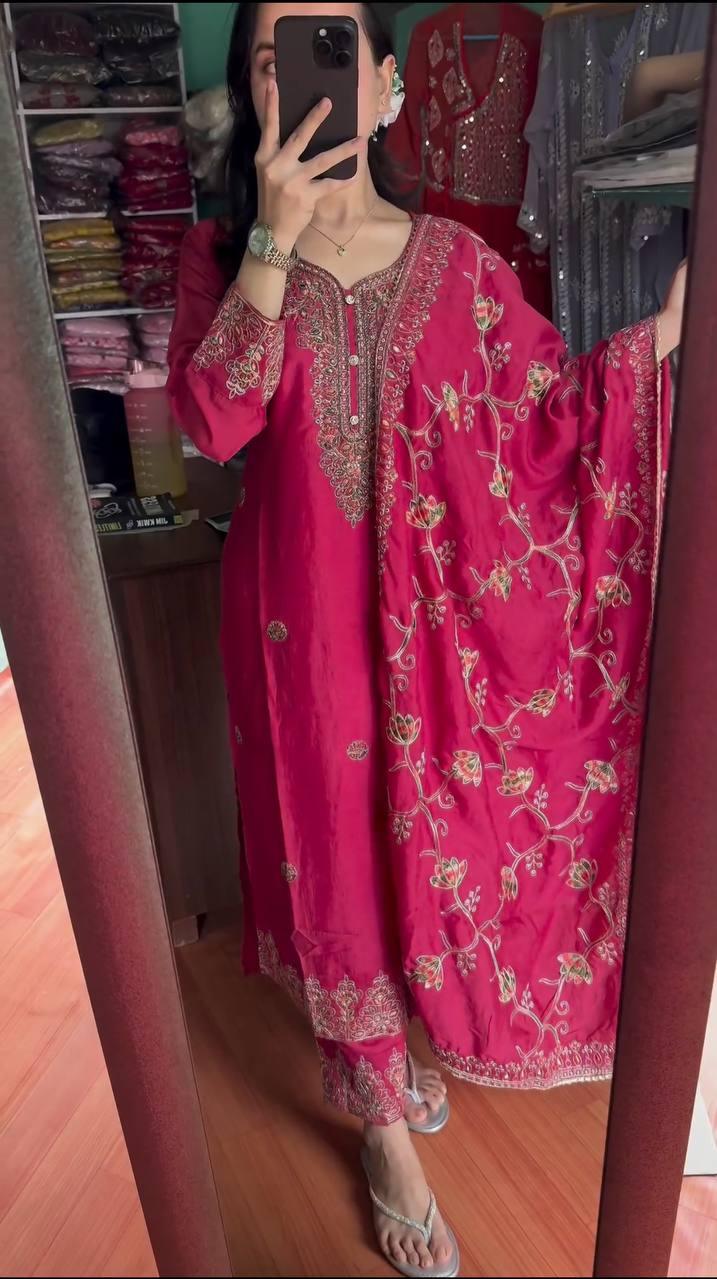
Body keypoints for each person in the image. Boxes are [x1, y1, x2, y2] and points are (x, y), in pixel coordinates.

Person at [167, 4, 686, 1275]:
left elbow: (549, 423)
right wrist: (273, 239)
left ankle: (407, 1045)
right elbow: (211, 427)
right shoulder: (223, 254)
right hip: (299, 638)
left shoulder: (459, 263)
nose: (306, 83)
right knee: (335, 859)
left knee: (431, 835)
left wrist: (667, 337)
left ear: (389, 87)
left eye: (332, 52)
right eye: (273, 62)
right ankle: (384, 1130)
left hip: (441, 639)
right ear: (255, 94)